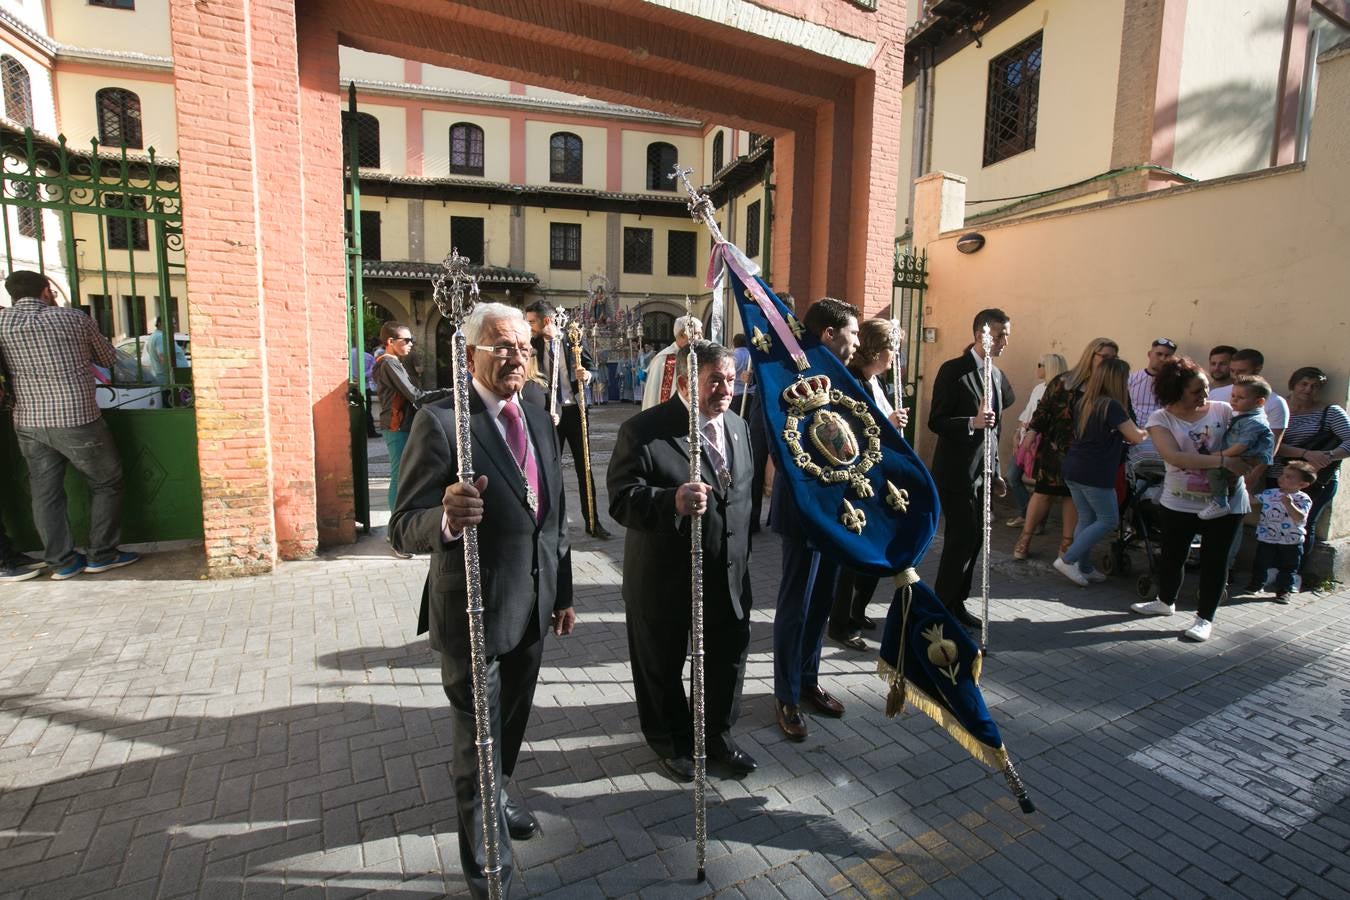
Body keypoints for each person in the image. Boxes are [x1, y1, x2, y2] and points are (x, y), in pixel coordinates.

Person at [389, 303, 575, 900]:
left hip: (532, 605)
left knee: (511, 726)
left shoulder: (541, 415)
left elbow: (554, 514)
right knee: (477, 743)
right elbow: (401, 526)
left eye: (522, 344)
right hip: (473, 610)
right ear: (469, 353)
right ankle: (487, 869)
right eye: (500, 344)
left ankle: (499, 798)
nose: (515, 354)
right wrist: (444, 518)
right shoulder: (443, 422)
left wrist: (562, 590)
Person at [608, 340, 757, 781]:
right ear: (688, 380)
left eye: (730, 380)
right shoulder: (644, 431)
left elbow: (741, 499)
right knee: (662, 662)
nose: (725, 389)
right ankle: (670, 740)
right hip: (665, 576)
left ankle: (716, 736)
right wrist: (669, 499)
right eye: (715, 380)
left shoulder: (737, 425)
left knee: (727, 657)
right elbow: (621, 500)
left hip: (728, 572)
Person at [0, 270, 138, 579]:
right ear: (46, 291)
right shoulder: (73, 318)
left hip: (29, 421)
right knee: (106, 482)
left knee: (45, 492)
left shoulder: (2, 323)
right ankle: (102, 553)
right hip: (76, 418)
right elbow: (107, 358)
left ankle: (61, 562)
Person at [770, 297, 860, 741]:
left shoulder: (845, 378)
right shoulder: (786, 374)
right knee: (796, 605)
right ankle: (785, 694)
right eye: (853, 333)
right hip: (805, 510)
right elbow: (775, 439)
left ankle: (808, 681)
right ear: (829, 333)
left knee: (821, 602)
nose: (857, 342)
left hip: (838, 510)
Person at [1129, 357, 1251, 643]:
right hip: (1179, 500)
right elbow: (1174, 456)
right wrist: (1223, 461)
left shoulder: (1223, 411)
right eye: (1197, 390)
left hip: (1226, 502)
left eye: (1206, 388)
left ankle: (1204, 618)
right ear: (1175, 390)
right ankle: (1164, 602)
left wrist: (1248, 467)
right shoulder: (1161, 418)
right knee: (1172, 556)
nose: (1205, 395)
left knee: (1215, 561)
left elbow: (1254, 437)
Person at [928, 308, 1015, 629]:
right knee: (960, 538)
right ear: (981, 334)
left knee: (977, 538)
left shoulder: (997, 375)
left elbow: (996, 430)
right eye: (1001, 334)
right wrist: (971, 422)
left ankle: (957, 601)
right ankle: (942, 605)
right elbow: (935, 421)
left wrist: (996, 472)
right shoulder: (954, 370)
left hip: (984, 473)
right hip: (957, 472)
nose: (1006, 340)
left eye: (1008, 333)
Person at [828, 318, 910, 651]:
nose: (896, 357)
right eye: (893, 349)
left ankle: (858, 609)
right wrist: (887, 425)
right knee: (854, 553)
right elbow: (846, 434)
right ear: (877, 349)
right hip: (856, 481)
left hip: (879, 477)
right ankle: (840, 622)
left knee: (876, 547)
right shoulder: (855, 382)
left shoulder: (878, 382)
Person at [1015, 338, 1117, 560]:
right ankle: (1025, 538)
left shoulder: (1109, 387)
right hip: (1055, 448)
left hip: (1085, 453)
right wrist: (1031, 434)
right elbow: (1044, 410)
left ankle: (1067, 546)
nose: (1108, 362)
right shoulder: (1064, 381)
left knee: (1072, 497)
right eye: (1104, 357)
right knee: (1043, 494)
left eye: (1112, 358)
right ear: (1091, 356)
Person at [1053, 358, 1147, 586]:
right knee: (1108, 520)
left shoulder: (1087, 401)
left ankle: (1084, 567)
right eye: (1125, 378)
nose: (1127, 383)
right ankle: (1067, 560)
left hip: (1075, 468)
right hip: (1094, 472)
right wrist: (1152, 429)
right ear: (1117, 380)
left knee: (1087, 518)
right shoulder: (1111, 405)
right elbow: (1135, 436)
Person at [524, 300, 613, 539]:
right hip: (548, 413)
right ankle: (552, 521)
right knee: (549, 467)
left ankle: (592, 521)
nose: (529, 326)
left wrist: (587, 376)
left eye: (532, 321)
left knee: (584, 467)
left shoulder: (572, 339)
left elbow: (592, 368)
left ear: (547, 320)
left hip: (575, 411)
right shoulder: (531, 344)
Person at [1270, 366, 1350, 574]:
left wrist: (1328, 456)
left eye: (1315, 386)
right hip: (1278, 475)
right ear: (1293, 384)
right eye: (1303, 384)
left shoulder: (1329, 412)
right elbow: (1272, 443)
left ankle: (1293, 574)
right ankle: (1269, 570)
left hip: (1315, 480)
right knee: (1274, 521)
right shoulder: (1278, 407)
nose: (1308, 390)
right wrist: (1305, 453)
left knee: (1303, 524)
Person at [372, 321, 450, 522]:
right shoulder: (388, 362)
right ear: (390, 341)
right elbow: (416, 395)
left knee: (405, 474)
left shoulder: (393, 362)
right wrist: (450, 392)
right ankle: (394, 529)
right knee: (399, 477)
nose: (411, 344)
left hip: (401, 424)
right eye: (406, 340)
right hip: (396, 425)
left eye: (412, 340)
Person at [1199, 375, 1274, 520]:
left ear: (1259, 402)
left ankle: (1220, 502)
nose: (1234, 400)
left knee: (1214, 470)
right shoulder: (1244, 416)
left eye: (1241, 397)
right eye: (1233, 395)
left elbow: (1241, 446)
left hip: (1247, 455)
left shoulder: (1253, 422)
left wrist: (1219, 456)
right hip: (1241, 454)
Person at [1006, 353, 1067, 527]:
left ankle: (1034, 521)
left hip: (1043, 444)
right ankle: (1028, 515)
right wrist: (1017, 433)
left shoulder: (1060, 392)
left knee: (1042, 487)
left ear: (1049, 368)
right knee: (1013, 476)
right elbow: (1027, 412)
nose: (1037, 368)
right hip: (1027, 440)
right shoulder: (1038, 388)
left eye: (1040, 365)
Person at [1247, 461, 1316, 602]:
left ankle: (1284, 590)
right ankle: (1256, 584)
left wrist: (1289, 504)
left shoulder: (1302, 499)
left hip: (1291, 539)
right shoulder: (1270, 493)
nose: (1282, 478)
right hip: (1267, 536)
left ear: (1302, 484)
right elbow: (1251, 500)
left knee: (1289, 566)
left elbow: (1300, 517)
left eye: (1289, 477)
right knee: (1261, 562)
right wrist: (1243, 488)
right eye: (1283, 474)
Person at [731, 332, 769, 530]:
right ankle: (752, 518)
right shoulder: (757, 345)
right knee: (754, 464)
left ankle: (770, 516)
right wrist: (752, 379)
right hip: (757, 407)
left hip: (769, 410)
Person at [641, 315, 702, 409]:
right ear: (682, 335)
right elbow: (654, 397)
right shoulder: (664, 360)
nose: (701, 338)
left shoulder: (700, 355)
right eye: (697, 333)